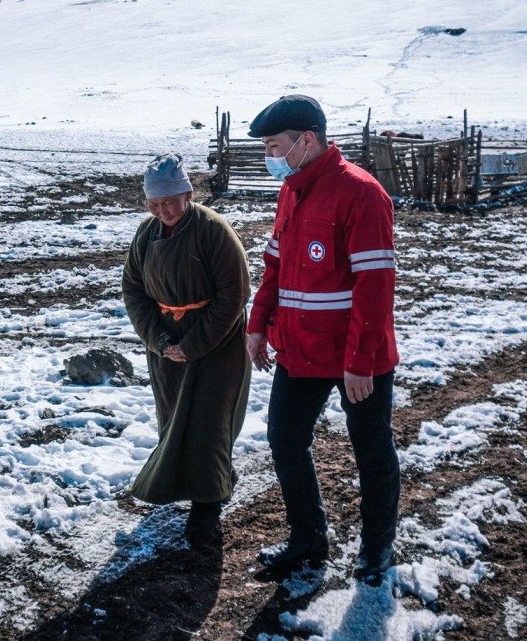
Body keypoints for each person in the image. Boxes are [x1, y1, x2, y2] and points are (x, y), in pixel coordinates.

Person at [245, 94, 401, 586]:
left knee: (371, 448)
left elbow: (375, 286)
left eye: (274, 145)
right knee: (285, 439)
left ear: (306, 140)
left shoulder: (362, 193)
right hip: (299, 350)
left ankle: (377, 548)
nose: (269, 156)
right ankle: (308, 538)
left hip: (357, 357)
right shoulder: (290, 189)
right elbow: (275, 264)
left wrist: (360, 360)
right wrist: (257, 323)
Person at [121, 153, 252, 545]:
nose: (163, 211)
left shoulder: (214, 232)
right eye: (154, 204)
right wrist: (158, 341)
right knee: (176, 420)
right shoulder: (146, 235)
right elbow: (133, 289)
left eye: (169, 202)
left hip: (217, 345)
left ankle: (207, 505)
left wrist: (194, 345)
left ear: (188, 194)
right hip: (166, 348)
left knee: (209, 424)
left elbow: (234, 294)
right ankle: (188, 484)